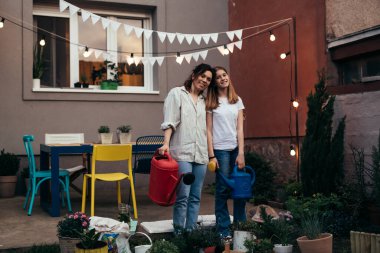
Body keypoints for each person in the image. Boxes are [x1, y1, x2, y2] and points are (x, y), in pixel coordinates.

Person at [159, 63, 215, 232]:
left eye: (208, 79)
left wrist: (211, 155)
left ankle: (191, 235)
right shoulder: (177, 94)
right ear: (193, 75)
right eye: (202, 76)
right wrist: (166, 143)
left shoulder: (205, 101)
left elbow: (208, 129)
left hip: (201, 155)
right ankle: (179, 234)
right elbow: (170, 121)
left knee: (196, 197)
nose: (204, 81)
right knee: (183, 196)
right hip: (182, 153)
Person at [206, 66, 246, 238]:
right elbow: (207, 130)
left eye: (224, 75)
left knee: (240, 189)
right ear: (214, 83)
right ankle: (223, 230)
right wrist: (212, 155)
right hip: (220, 151)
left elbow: (240, 130)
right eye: (218, 77)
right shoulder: (212, 103)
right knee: (222, 190)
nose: (223, 78)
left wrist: (241, 152)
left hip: (235, 149)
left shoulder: (237, 101)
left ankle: (240, 227)